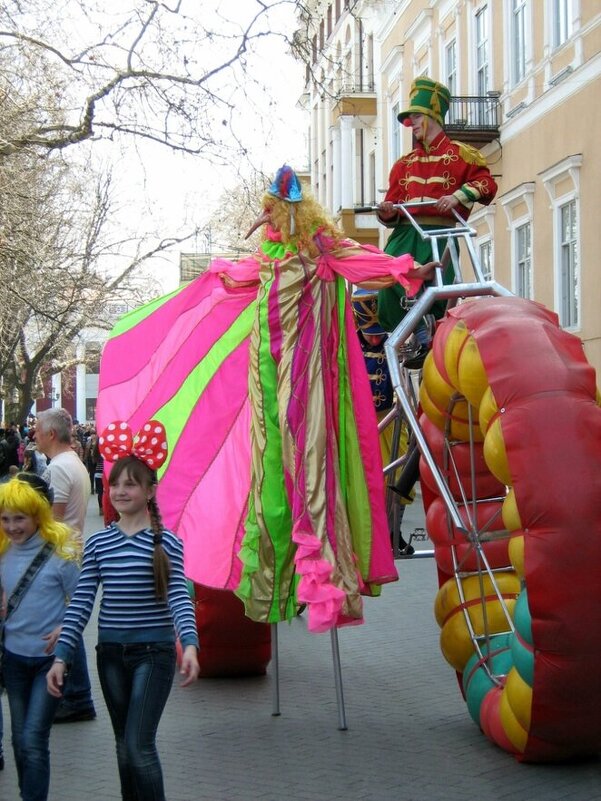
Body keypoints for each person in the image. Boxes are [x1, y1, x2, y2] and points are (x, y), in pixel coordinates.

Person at [96, 165, 438, 635]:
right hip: (266, 374)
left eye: (274, 214)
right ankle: (279, 577)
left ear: (292, 213)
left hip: (310, 373)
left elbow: (361, 260)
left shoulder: (321, 250)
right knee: (270, 471)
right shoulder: (270, 254)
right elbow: (241, 277)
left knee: (313, 467)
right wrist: (216, 276)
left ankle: (323, 575)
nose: (267, 223)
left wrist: (403, 270)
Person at [47, 423, 199, 801]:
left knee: (138, 746)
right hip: (111, 655)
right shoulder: (99, 543)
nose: (120, 492)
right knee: (122, 746)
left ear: (149, 491)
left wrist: (190, 643)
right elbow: (82, 602)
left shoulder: (168, 543)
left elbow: (179, 596)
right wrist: (62, 656)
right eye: (115, 484)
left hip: (155, 655)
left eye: (130, 484)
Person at [377, 76, 498, 362]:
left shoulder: (462, 156)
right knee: (387, 280)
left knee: (437, 291)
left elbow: (487, 186)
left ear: (432, 115)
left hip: (440, 236)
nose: (412, 124)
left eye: (416, 116)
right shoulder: (402, 165)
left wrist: (458, 196)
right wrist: (387, 212)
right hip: (406, 235)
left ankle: (429, 335)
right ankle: (417, 335)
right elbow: (393, 208)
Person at [0, 473, 81, 801]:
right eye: (5, 519)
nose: (12, 526)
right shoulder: (2, 553)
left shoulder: (61, 555)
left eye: (19, 518)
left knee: (33, 739)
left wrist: (65, 628)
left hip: (50, 665)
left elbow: (81, 600)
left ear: (37, 516)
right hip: (14, 661)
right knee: (20, 741)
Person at [35, 408, 96, 723]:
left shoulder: (59, 468)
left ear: (50, 434)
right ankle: (76, 694)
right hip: (69, 551)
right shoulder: (71, 463)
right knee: (66, 624)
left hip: (61, 554)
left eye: (37, 430)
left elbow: (53, 517)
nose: (33, 435)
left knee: (65, 626)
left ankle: (77, 695)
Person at [351, 288, 415, 557]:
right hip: (361, 422)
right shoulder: (348, 347)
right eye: (371, 333)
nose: (376, 338)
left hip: (391, 419)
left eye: (379, 333)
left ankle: (394, 532)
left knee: (400, 477)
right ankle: (367, 537)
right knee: (365, 480)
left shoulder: (394, 341)